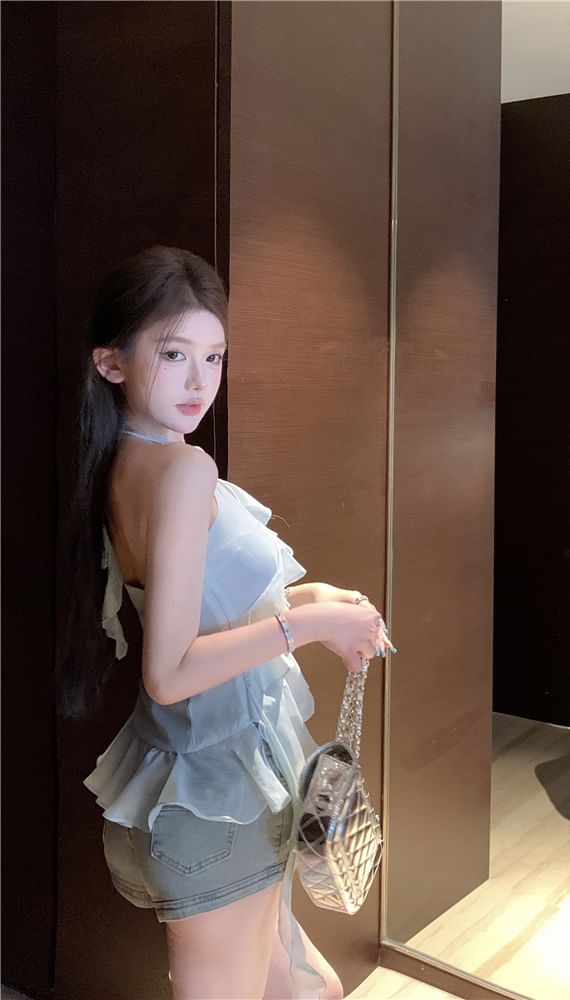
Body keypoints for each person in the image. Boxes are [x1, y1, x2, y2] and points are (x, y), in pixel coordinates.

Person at [59, 246, 394, 999]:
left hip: (217, 789)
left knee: (316, 990)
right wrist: (310, 627)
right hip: (219, 803)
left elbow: (199, 610)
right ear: (111, 363)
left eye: (214, 356)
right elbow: (171, 671)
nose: (200, 381)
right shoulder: (182, 470)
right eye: (174, 354)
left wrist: (314, 603)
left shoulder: (132, 462)